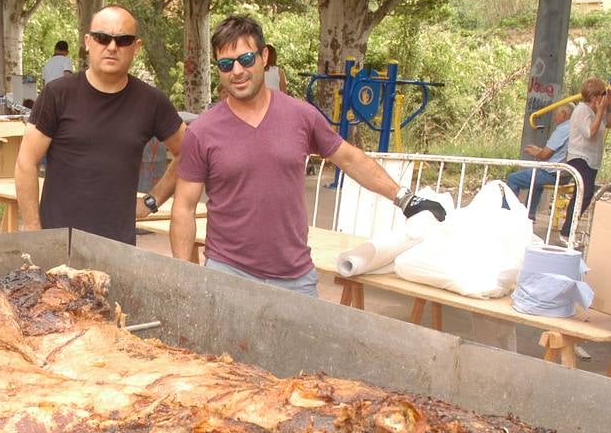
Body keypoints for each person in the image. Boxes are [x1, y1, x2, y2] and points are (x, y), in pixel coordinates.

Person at [170, 15, 445, 297]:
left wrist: (406, 199)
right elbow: (184, 208)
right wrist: (182, 278)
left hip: (294, 276)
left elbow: (350, 159)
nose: (237, 71)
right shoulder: (202, 131)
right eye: (226, 64)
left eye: (246, 59)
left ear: (264, 57)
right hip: (228, 274)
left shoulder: (300, 116)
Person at [16, 5, 185, 245]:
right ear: (88, 42)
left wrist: (152, 201)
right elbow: (25, 162)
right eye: (102, 38)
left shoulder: (152, 102)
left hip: (118, 247)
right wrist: (35, 233)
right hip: (58, 243)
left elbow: (188, 153)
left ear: (136, 47)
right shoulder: (57, 94)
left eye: (123, 40)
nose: (112, 47)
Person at [559, 77, 611, 241]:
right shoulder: (582, 110)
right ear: (594, 97)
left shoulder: (596, 110)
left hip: (592, 159)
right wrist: (600, 111)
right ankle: (567, 231)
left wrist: (609, 106)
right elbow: (590, 132)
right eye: (602, 95)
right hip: (580, 157)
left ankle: (570, 229)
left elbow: (609, 123)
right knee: (584, 193)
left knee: (585, 194)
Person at [505, 103, 573, 219]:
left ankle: (506, 213)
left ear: (564, 114)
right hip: (565, 173)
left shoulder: (563, 129)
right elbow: (556, 152)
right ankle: (529, 215)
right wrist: (539, 150)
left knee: (513, 179)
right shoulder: (574, 128)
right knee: (536, 182)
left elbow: (545, 155)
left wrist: (536, 153)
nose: (554, 118)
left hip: (553, 173)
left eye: (556, 115)